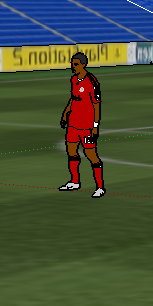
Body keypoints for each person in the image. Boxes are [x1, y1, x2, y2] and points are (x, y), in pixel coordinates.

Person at [59, 52, 104, 198]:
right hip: (73, 124)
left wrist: (95, 126)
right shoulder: (73, 80)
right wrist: (65, 113)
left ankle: (100, 187)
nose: (73, 66)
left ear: (83, 64)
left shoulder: (92, 81)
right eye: (72, 64)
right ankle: (75, 181)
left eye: (76, 64)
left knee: (91, 155)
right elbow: (73, 99)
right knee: (71, 151)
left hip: (86, 126)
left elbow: (97, 105)